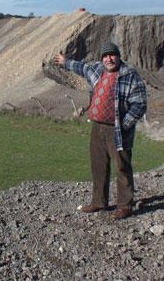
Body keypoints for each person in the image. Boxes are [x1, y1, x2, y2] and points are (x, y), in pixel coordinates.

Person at [53, 42, 147, 219]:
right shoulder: (97, 70)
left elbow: (140, 104)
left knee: (122, 167)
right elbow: (82, 67)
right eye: (105, 56)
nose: (109, 59)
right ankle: (98, 202)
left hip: (118, 130)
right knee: (98, 165)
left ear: (118, 56)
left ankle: (125, 206)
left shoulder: (129, 75)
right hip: (97, 127)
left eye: (112, 55)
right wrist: (65, 62)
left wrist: (125, 124)